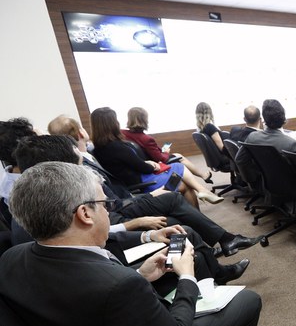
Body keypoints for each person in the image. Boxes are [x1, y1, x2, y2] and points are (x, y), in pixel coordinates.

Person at [0, 161, 262, 326]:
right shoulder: (118, 286)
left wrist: (140, 274)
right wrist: (186, 277)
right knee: (248, 301)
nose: (108, 211)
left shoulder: (12, 258)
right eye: (106, 204)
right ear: (85, 213)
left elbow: (89, 298)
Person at [17, 131, 258, 257]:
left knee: (173, 198)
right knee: (177, 226)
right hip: (114, 219)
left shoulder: (49, 190)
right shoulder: (63, 197)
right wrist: (138, 224)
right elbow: (93, 227)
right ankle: (207, 268)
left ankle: (224, 243)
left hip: (115, 208)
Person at [91, 107, 223, 206]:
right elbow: (144, 167)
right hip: (142, 181)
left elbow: (130, 162)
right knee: (178, 166)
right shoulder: (116, 146)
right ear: (112, 123)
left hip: (133, 179)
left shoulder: (100, 148)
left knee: (184, 183)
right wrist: (151, 164)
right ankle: (202, 191)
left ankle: (200, 208)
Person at [121, 107, 212, 182]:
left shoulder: (123, 134)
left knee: (177, 155)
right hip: (153, 164)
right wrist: (165, 152)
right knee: (179, 157)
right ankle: (203, 175)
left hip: (139, 163)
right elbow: (161, 159)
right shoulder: (147, 139)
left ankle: (203, 175)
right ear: (144, 120)